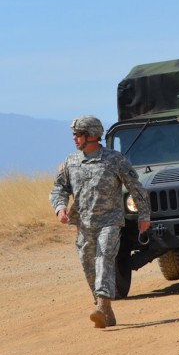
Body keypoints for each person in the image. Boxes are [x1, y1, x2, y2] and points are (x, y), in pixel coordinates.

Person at [49, 115, 151, 329]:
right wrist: (60, 208)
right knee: (89, 265)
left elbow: (136, 188)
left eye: (79, 134)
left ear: (92, 135)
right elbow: (59, 188)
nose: (75, 138)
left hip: (110, 221)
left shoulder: (115, 159)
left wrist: (144, 215)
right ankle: (106, 310)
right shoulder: (71, 162)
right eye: (74, 135)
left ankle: (103, 306)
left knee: (104, 257)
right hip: (84, 225)